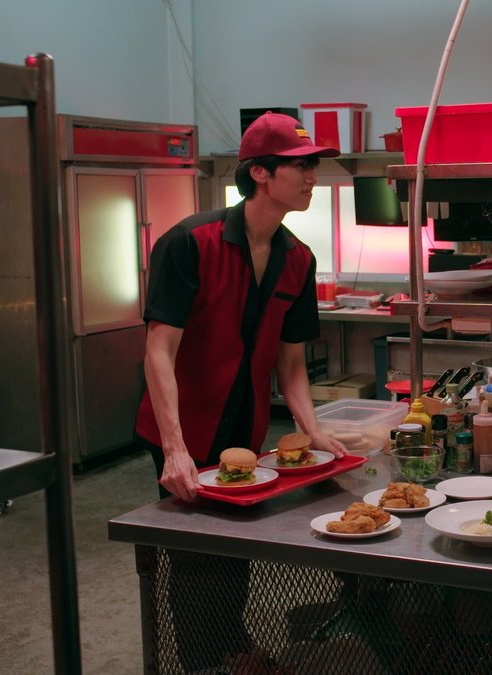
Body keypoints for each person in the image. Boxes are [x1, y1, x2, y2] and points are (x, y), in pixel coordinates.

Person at [133, 111, 347, 672]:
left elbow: (292, 363)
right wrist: (176, 449)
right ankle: (212, 662)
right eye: (300, 166)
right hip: (184, 421)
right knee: (198, 553)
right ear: (259, 172)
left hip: (244, 426)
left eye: (314, 166)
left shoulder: (298, 259)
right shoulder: (189, 243)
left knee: (236, 544)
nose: (312, 177)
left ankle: (232, 649)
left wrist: (314, 428)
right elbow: (160, 350)